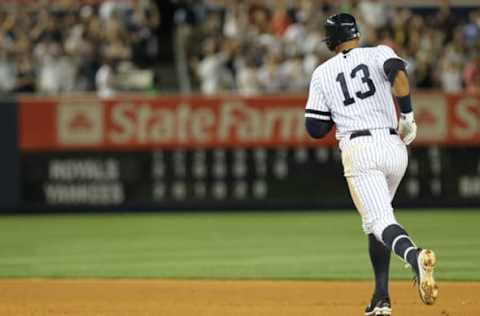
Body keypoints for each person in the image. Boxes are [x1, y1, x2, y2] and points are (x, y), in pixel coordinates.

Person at [304, 13, 438, 316]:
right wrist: (407, 117)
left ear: (330, 42)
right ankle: (380, 298)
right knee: (378, 223)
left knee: (379, 223)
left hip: (360, 149)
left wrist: (336, 110)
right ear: (356, 34)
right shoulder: (380, 52)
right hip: (395, 147)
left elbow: (314, 128)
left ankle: (415, 257)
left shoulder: (322, 72)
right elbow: (398, 75)